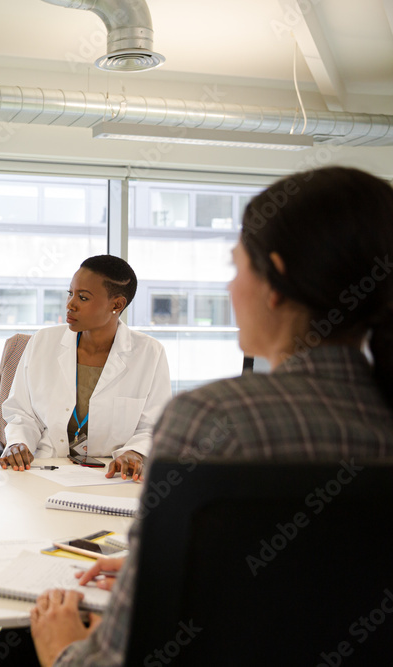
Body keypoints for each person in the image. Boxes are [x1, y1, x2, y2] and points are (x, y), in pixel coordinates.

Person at [26, 166, 393, 667]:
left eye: (236, 266)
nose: (229, 287)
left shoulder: (214, 419)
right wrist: (153, 564)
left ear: (276, 283)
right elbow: (317, 572)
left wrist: (62, 648)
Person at [0, 255, 172, 481]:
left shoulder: (150, 353)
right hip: (46, 468)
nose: (70, 304)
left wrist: (135, 452)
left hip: (112, 474)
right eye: (70, 294)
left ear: (117, 304)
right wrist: (18, 443)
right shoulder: (43, 342)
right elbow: (21, 412)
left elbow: (154, 426)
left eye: (83, 297)